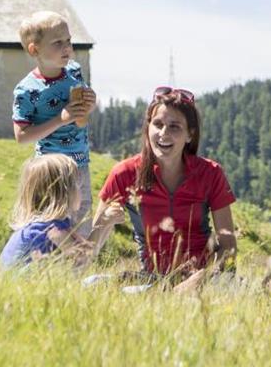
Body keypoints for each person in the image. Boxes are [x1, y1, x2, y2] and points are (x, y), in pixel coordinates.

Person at [98, 87, 238, 280]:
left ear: (190, 134)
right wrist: (104, 222)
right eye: (157, 124)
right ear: (148, 129)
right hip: (150, 279)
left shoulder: (210, 173)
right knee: (92, 283)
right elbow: (91, 246)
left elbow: (228, 246)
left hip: (203, 279)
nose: (164, 133)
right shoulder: (124, 173)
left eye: (174, 126)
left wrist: (198, 280)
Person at [11, 11, 97, 238]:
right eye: (57, 43)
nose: (66, 48)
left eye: (68, 41)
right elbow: (22, 136)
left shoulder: (74, 71)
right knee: (51, 225)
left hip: (80, 162)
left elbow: (80, 113)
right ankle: (48, 269)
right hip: (50, 168)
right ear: (34, 50)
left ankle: (77, 272)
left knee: (81, 224)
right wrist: (61, 118)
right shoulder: (27, 90)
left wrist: (90, 103)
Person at [0, 153, 125, 271]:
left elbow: (88, 250)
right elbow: (82, 262)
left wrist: (107, 223)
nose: (80, 188)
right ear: (63, 193)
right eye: (76, 184)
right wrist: (103, 223)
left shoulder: (48, 224)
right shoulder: (51, 230)